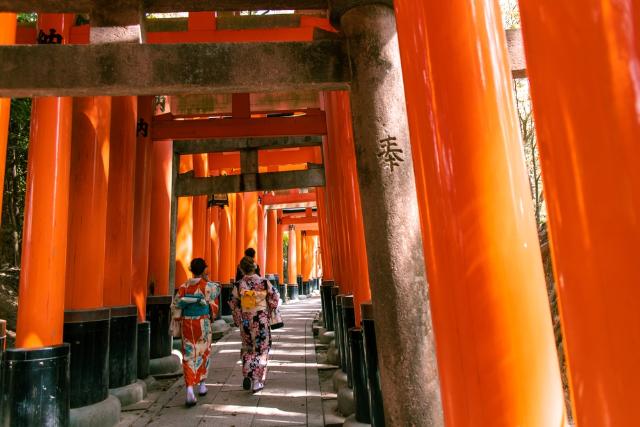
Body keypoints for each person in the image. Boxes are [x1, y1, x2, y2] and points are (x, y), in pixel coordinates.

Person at [172, 258, 220, 407]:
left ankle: (189, 389)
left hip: (188, 323)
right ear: (204, 269)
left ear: (191, 269)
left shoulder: (183, 287)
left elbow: (175, 306)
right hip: (203, 323)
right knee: (204, 352)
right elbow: (214, 301)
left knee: (188, 355)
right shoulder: (209, 286)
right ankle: (203, 384)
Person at [229, 256, 279, 393]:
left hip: (246, 320)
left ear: (241, 269)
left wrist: (238, 318)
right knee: (262, 348)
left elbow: (233, 303)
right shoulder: (264, 282)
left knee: (248, 347)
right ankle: (257, 381)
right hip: (261, 319)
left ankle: (247, 373)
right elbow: (275, 297)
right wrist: (268, 307)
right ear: (255, 266)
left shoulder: (239, 284)